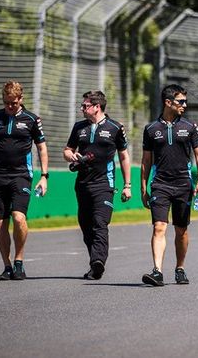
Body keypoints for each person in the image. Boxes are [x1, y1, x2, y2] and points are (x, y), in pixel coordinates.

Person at [0, 80, 49, 281]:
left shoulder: (32, 119)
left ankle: (19, 262)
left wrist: (44, 176)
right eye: (6, 103)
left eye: (13, 103)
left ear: (21, 99)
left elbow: (41, 147)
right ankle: (7, 266)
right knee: (0, 223)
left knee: (19, 217)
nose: (9, 107)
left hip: (21, 175)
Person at [140, 84, 198, 287]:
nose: (184, 105)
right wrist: (143, 188)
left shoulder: (190, 126)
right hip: (160, 184)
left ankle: (180, 268)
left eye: (185, 101)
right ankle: (157, 271)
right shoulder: (151, 129)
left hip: (183, 185)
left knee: (181, 230)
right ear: (168, 102)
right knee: (159, 227)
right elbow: (146, 161)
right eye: (181, 101)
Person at [63, 90, 131, 280]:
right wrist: (71, 156)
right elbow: (67, 150)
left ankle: (98, 262)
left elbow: (124, 156)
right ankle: (95, 262)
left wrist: (127, 185)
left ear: (97, 107)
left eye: (85, 106)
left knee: (100, 223)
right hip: (83, 184)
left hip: (105, 184)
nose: (82, 109)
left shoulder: (115, 127)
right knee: (85, 225)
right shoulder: (79, 127)